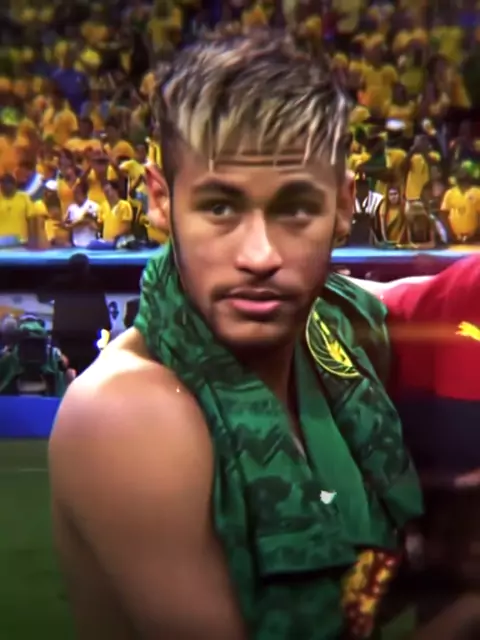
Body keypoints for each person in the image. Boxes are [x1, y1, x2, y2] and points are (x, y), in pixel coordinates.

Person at [49, 34, 423, 640]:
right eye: (221, 208)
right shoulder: (127, 414)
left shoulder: (333, 330)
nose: (260, 255)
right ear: (161, 200)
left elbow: (433, 295)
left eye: (295, 209)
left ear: (343, 205)